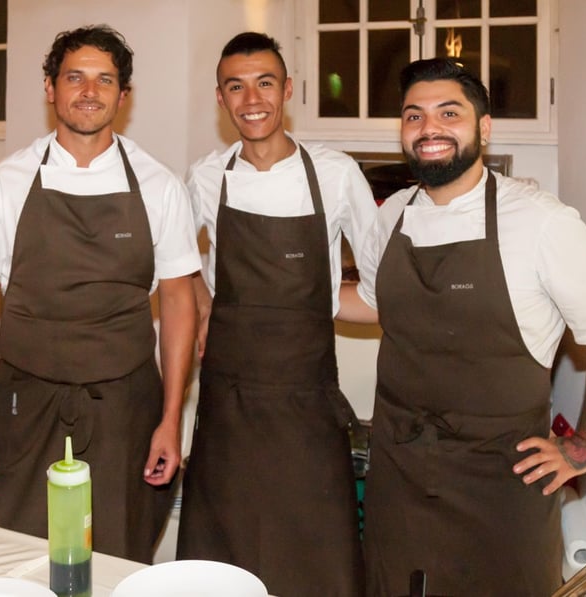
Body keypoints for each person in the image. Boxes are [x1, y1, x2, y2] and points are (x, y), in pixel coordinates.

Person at [342, 58, 586, 596]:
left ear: (483, 126)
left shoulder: (543, 221)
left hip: (501, 484)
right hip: (400, 473)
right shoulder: (393, 216)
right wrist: (274, 298)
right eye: (414, 116)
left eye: (448, 113)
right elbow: (370, 301)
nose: (429, 129)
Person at [0, 24, 200, 564]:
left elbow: (180, 304)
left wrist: (171, 418)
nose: (90, 91)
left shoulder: (159, 187)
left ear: (123, 96)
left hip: (126, 409)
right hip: (24, 402)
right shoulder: (8, 181)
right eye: (75, 77)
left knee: (115, 557)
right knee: (10, 554)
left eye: (105, 80)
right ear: (50, 88)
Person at [176, 32, 377, 597]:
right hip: (228, 403)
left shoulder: (335, 174)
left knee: (314, 563)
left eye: (264, 83)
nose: (251, 99)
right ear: (220, 98)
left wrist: (321, 307)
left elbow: (383, 283)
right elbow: (173, 264)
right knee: (221, 564)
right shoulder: (206, 176)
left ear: (287, 90)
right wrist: (203, 298)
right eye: (235, 87)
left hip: (306, 404)